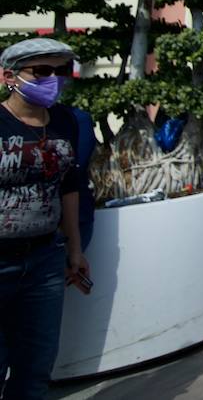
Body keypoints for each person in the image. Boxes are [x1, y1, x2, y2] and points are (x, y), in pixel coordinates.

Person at [1, 38, 91, 399]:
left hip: (44, 262)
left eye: (60, 71)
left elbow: (69, 186)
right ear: (10, 76)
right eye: (41, 71)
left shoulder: (67, 121)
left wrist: (75, 249)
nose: (52, 79)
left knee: (36, 367)